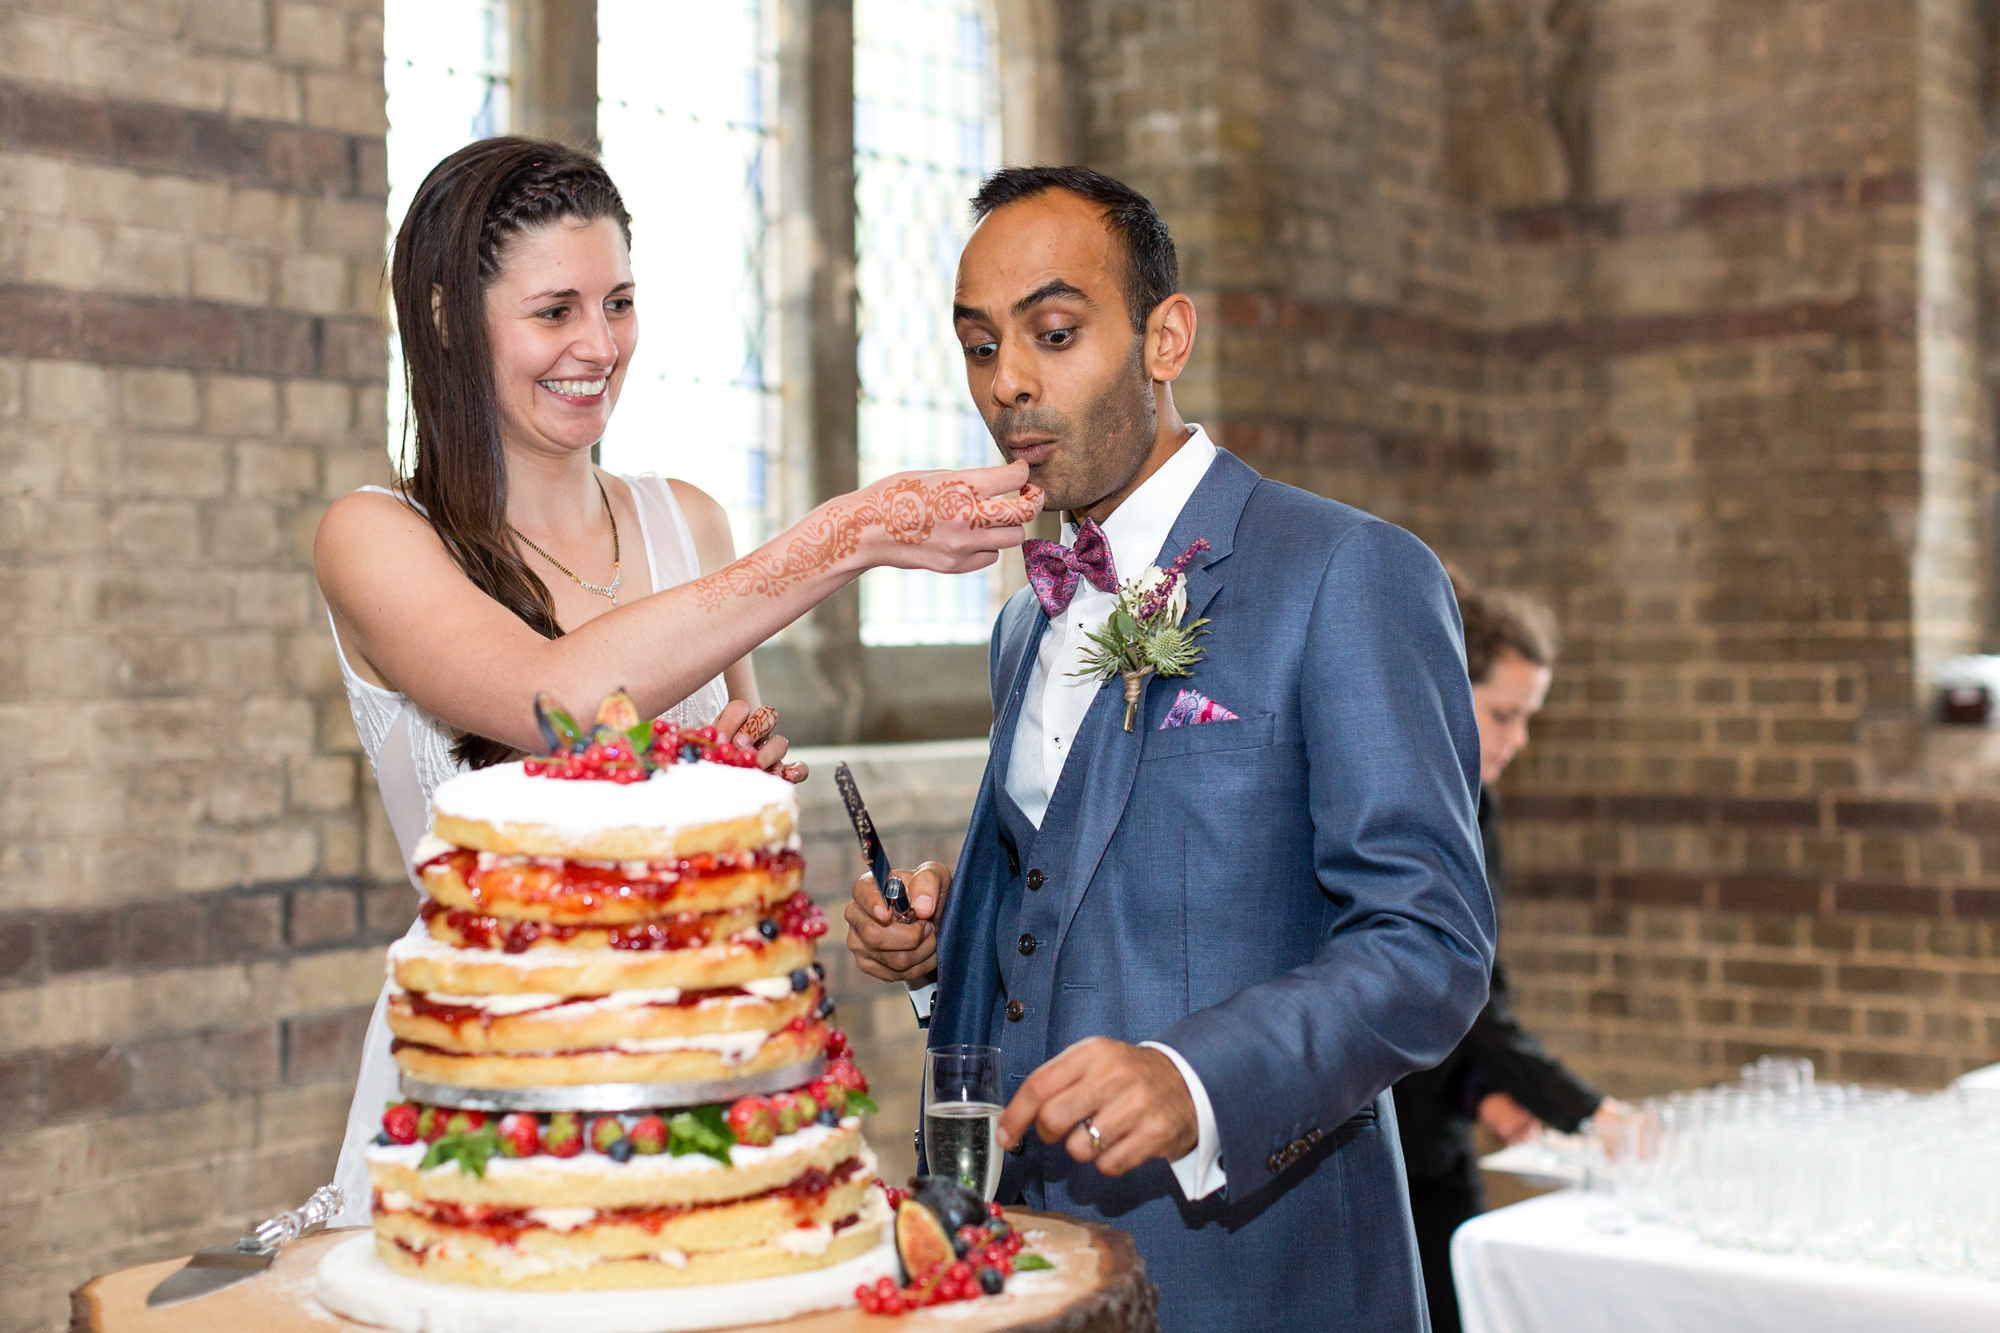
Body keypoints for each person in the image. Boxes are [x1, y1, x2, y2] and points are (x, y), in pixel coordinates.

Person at [313, 136, 1040, 1224]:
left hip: (702, 1074)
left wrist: (728, 790)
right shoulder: (375, 534)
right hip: (495, 1086)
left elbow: (743, 861)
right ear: (445, 318)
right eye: (553, 310)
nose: (598, 345)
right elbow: (550, 704)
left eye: (618, 302)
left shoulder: (690, 522)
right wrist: (846, 534)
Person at [843, 166, 1494, 1332]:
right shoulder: (1019, 622)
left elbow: (1429, 946)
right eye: (980, 345)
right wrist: (948, 945)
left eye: (1053, 332)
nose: (1010, 385)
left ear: (1165, 336)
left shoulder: (1346, 572)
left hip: (1262, 1270)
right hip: (1034, 1262)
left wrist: (1194, 1080)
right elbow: (1070, 900)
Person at [1392, 579, 1624, 1333]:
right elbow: (1453, 986)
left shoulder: (1474, 797)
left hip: (1436, 1123)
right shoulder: (1408, 794)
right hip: (1385, 1137)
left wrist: (1479, 1095)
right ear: (1448, 686)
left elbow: (1466, 981)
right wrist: (1584, 1108)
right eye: (1506, 715)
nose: (1518, 740)